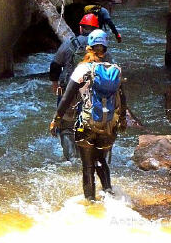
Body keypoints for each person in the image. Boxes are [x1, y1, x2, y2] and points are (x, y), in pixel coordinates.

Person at [49, 29, 127, 201]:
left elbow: (66, 99)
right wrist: (122, 120)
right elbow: (122, 98)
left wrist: (56, 120)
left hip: (87, 123)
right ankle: (109, 194)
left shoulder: (82, 69)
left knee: (88, 166)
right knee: (101, 160)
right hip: (109, 125)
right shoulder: (115, 70)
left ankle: (91, 204)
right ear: (106, 48)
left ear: (88, 48)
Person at [49, 14, 111, 161]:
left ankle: (72, 160)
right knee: (91, 127)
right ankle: (93, 159)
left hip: (69, 91)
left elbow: (55, 65)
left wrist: (54, 83)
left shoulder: (69, 44)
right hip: (93, 94)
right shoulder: (103, 50)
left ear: (81, 28)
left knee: (67, 128)